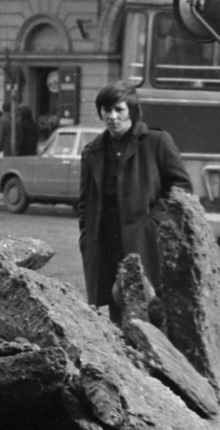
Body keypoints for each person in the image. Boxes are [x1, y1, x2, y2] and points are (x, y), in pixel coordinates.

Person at [78, 79, 192, 319]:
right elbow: (84, 201)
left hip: (144, 243)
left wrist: (156, 222)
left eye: (119, 109)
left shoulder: (155, 142)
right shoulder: (92, 151)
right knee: (117, 311)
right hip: (107, 245)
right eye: (107, 110)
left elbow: (180, 185)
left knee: (151, 310)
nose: (112, 116)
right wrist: (87, 236)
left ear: (131, 111)